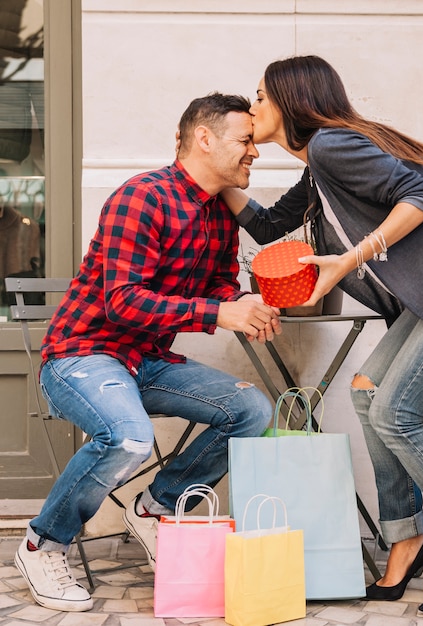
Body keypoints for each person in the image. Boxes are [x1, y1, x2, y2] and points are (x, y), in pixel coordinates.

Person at [221, 55, 423, 619]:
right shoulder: (319, 167)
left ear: (290, 99)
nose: (253, 109)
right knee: (368, 392)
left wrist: (351, 256)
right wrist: (218, 176)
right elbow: (270, 226)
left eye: (259, 96)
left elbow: (419, 197)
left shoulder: (331, 146)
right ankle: (407, 537)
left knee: (395, 411)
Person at [14, 92, 282, 613]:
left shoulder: (219, 214)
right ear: (204, 138)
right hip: (82, 355)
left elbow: (222, 285)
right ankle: (41, 544)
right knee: (131, 438)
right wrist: (216, 314)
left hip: (147, 361)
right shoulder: (143, 197)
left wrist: (244, 302)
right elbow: (122, 302)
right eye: (246, 140)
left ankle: (155, 506)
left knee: (252, 410)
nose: (256, 152)